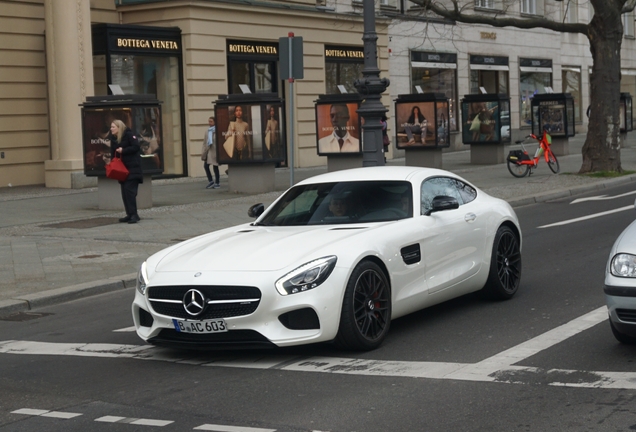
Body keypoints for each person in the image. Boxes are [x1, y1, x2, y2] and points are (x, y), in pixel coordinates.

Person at [109, 119, 143, 224]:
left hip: (133, 169)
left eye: (113, 127)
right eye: (111, 127)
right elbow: (113, 153)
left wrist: (123, 151)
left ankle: (134, 215)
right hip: (122, 170)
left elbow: (136, 147)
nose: (111, 129)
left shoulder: (129, 135)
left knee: (130, 192)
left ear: (119, 128)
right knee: (124, 193)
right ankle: (129, 214)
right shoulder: (114, 139)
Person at [201, 116, 220, 189]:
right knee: (206, 166)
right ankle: (211, 181)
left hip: (215, 151)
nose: (209, 123)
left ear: (215, 122)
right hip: (209, 151)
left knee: (215, 167)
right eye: (209, 121)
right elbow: (205, 142)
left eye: (211, 121)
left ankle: (217, 182)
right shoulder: (207, 131)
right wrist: (203, 151)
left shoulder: (217, 130)